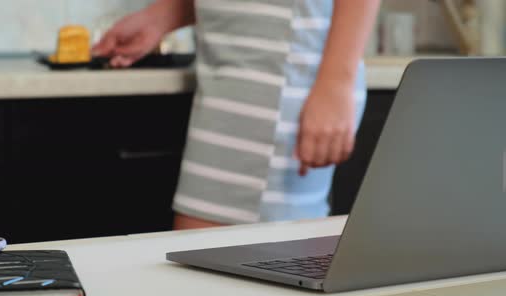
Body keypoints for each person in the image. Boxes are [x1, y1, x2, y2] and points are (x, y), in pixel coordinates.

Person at [93, 0, 381, 230]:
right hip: (233, 78)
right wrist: (161, 17)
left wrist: (336, 81)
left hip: (278, 80)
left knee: (215, 276)